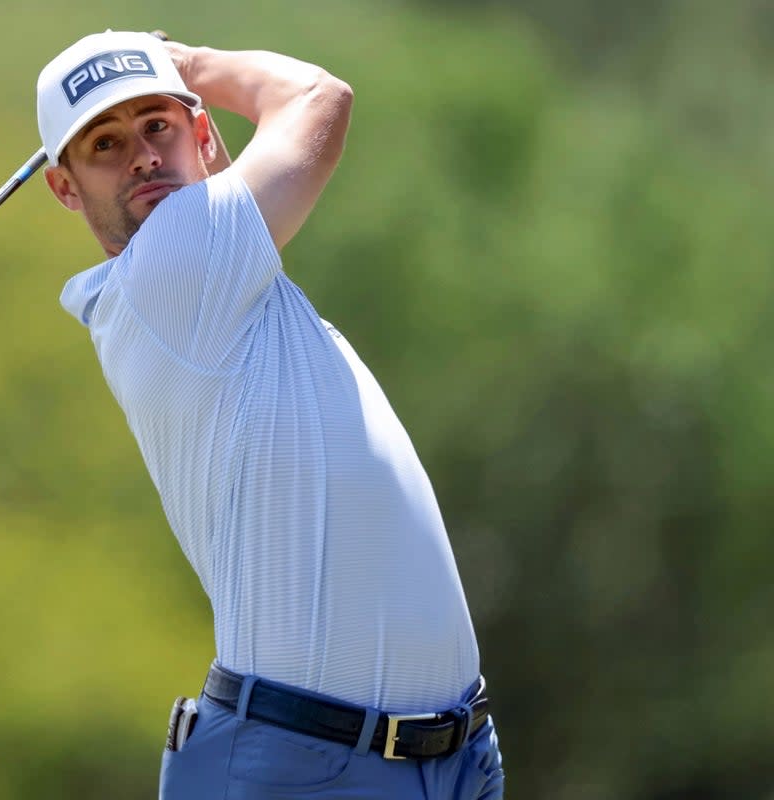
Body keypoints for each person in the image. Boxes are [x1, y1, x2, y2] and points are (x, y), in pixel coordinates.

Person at [35, 29, 505, 799]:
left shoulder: (225, 285)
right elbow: (318, 98)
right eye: (105, 144)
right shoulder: (172, 266)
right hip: (303, 766)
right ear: (65, 187)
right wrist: (188, 67)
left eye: (157, 125)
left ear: (201, 137)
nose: (144, 156)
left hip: (442, 757)